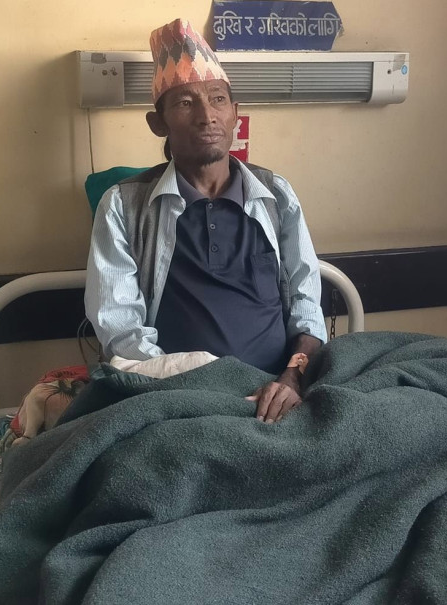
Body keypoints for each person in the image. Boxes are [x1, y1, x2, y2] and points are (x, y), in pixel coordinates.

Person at [85, 19, 327, 424]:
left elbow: (306, 306)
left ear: (235, 114)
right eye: (185, 103)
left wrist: (292, 378)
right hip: (179, 399)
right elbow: (122, 334)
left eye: (217, 100)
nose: (206, 116)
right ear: (158, 123)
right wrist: (214, 389)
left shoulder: (276, 196)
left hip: (282, 393)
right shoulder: (124, 207)